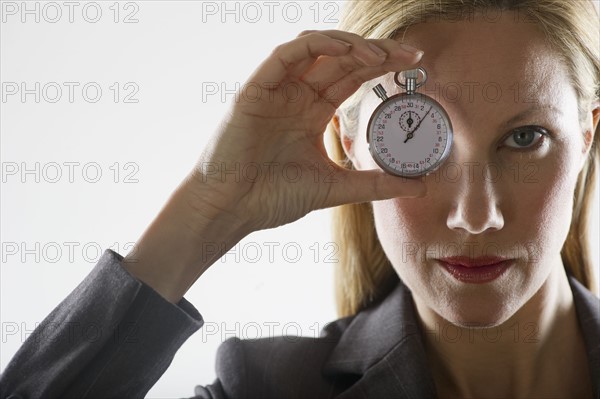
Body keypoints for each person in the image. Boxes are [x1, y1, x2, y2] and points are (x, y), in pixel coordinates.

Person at [1, 0, 599, 398]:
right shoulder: (265, 388)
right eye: (421, 141)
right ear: (349, 140)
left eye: (526, 138)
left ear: (589, 134)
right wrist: (208, 208)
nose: (476, 215)